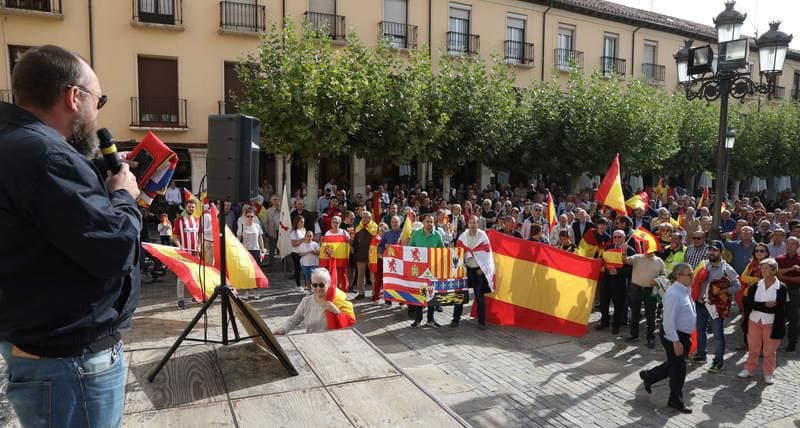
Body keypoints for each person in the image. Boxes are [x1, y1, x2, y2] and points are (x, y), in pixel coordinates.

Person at [0, 45, 141, 428]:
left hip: (38, 345)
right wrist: (123, 196)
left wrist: (91, 171)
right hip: (71, 362)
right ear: (73, 96)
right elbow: (114, 250)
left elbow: (50, 214)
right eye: (100, 99)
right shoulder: (49, 157)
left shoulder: (17, 143)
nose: (98, 111)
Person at [639, 263, 696, 414]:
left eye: (692, 273)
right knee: (679, 369)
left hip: (683, 335)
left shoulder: (685, 290)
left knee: (674, 364)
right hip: (674, 335)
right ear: (679, 277)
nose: (692, 277)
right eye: (689, 274)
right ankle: (675, 400)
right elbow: (668, 321)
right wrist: (675, 341)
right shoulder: (674, 294)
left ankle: (649, 376)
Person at [690, 240, 741, 372]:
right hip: (701, 303)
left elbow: (737, 286)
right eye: (710, 249)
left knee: (718, 335)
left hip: (715, 307)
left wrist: (724, 291)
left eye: (715, 250)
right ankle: (701, 354)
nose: (711, 252)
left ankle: (718, 361)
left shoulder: (727, 268)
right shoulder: (703, 265)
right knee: (700, 331)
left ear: (721, 252)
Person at [738, 258, 789, 385]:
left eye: (766, 268)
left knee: (769, 350)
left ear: (774, 270)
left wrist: (759, 305)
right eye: (762, 268)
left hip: (771, 322)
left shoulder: (781, 287)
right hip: (754, 320)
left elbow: (779, 307)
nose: (763, 270)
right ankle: (749, 369)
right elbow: (749, 304)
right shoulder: (755, 285)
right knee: (753, 348)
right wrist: (765, 305)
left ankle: (768, 372)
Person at [452, 215, 492, 330]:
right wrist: (459, 268)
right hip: (465, 270)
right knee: (459, 295)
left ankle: (482, 322)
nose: (472, 225)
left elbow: (487, 254)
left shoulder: (482, 236)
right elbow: (457, 253)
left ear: (477, 224)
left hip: (478, 270)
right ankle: (455, 319)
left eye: (474, 223)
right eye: (470, 223)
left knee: (479, 297)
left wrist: (482, 269)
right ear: (467, 224)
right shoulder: (463, 236)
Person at [274, 268, 342, 334]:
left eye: (321, 285)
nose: (318, 288)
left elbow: (346, 324)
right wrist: (283, 329)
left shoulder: (336, 300)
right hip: (311, 341)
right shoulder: (306, 301)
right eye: (315, 285)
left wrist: (336, 312)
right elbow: (294, 319)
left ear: (328, 285)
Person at [624, 249, 667, 348]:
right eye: (646, 246)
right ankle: (634, 335)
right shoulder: (637, 257)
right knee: (635, 313)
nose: (647, 249)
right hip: (636, 289)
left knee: (650, 315)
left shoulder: (659, 261)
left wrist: (656, 281)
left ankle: (650, 337)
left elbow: (664, 275)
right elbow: (625, 260)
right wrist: (624, 251)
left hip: (650, 291)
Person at [408, 213, 445, 328]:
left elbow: (442, 251)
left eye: (431, 222)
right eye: (427, 221)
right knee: (420, 295)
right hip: (419, 271)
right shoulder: (416, 234)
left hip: (433, 270)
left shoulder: (437, 235)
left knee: (431, 295)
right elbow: (409, 249)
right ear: (423, 222)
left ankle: (430, 319)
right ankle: (418, 319)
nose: (429, 224)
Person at [596, 230, 635, 334]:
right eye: (615, 237)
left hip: (620, 282)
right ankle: (604, 322)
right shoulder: (609, 247)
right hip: (606, 280)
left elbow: (631, 267)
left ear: (624, 237)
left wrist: (617, 271)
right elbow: (602, 259)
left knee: (618, 305)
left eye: (619, 237)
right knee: (603, 303)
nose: (617, 239)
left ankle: (616, 325)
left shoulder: (630, 250)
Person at [174, 200, 200, 309]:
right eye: (189, 207)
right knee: (182, 277)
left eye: (193, 207)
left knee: (194, 276)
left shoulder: (197, 220)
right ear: (185, 207)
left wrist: (199, 246)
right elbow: (174, 236)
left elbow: (199, 235)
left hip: (195, 254)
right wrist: (179, 245)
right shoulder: (179, 220)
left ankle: (195, 295)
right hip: (183, 254)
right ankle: (180, 299)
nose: (191, 209)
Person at [776, 236, 800, 352]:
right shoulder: (779, 259)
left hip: (795, 292)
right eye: (788, 244)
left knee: (793, 318)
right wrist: (791, 269)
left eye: (793, 244)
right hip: (780, 291)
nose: (790, 246)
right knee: (778, 317)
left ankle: (792, 343)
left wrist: (784, 276)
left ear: (797, 246)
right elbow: (775, 273)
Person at [237, 207, 266, 299]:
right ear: (245, 216)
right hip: (245, 250)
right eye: (248, 216)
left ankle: (255, 291)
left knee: (255, 272)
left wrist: (262, 249)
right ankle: (246, 291)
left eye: (251, 216)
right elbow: (238, 238)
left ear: (254, 217)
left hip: (255, 250)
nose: (250, 218)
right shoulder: (242, 226)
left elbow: (260, 238)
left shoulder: (257, 226)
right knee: (246, 271)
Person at [351, 211, 377, 299]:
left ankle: (375, 293)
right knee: (360, 276)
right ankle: (361, 293)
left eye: (367, 217)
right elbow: (355, 242)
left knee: (373, 276)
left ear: (371, 218)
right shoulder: (358, 228)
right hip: (361, 255)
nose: (365, 219)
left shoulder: (375, 228)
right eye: (364, 217)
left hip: (372, 256)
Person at [289, 216, 306, 289]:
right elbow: (293, 244)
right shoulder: (294, 232)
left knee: (305, 267)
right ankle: (298, 285)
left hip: (303, 252)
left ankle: (307, 284)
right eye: (301, 222)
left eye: (303, 222)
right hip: (296, 252)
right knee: (297, 268)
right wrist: (302, 240)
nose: (302, 224)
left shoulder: (304, 230)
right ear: (297, 222)